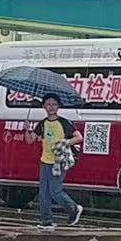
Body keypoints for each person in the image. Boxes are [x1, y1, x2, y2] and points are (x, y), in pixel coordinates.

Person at [37, 94, 82, 229]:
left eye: (54, 104)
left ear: (58, 106)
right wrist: (27, 129)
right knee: (43, 193)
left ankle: (73, 208)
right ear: (44, 106)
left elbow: (79, 137)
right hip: (45, 161)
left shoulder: (64, 122)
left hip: (58, 162)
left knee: (55, 191)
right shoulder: (42, 123)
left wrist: (64, 143)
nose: (51, 107)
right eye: (48, 104)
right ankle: (46, 221)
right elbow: (30, 139)